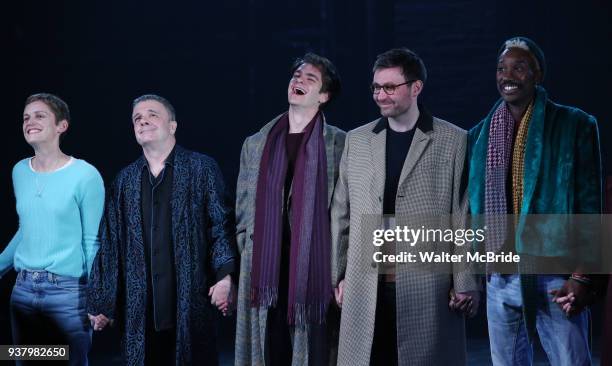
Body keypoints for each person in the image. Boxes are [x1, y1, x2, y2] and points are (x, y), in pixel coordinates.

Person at [331, 48, 479, 366]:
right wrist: (338, 275)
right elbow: (341, 214)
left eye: (389, 87)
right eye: (376, 87)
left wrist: (465, 281)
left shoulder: (453, 140)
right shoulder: (356, 140)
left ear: (416, 87)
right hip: (364, 284)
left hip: (427, 285)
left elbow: (463, 215)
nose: (380, 95)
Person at [467, 37, 602, 365]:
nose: (507, 75)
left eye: (519, 67)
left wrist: (583, 276)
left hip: (555, 276)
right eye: (501, 68)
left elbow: (590, 208)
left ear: (538, 75)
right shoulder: (479, 135)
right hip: (500, 273)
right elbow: (471, 210)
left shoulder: (574, 125)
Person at [87, 94, 237, 366]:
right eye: (137, 118)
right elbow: (110, 244)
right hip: (140, 314)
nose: (143, 120)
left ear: (172, 126)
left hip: (190, 308)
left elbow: (220, 225)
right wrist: (102, 302)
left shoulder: (201, 169)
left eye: (152, 114)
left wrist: (225, 278)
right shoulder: (124, 181)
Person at [234, 53, 345, 366]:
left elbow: (345, 210)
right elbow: (243, 206)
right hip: (266, 270)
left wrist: (341, 268)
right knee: (270, 351)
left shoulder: (340, 143)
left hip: (313, 269)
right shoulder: (256, 143)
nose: (299, 81)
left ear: (323, 96)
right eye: (296, 75)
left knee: (312, 353)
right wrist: (249, 248)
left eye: (310, 78)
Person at [0, 93, 105, 365]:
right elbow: (27, 230)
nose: (29, 121)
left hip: (68, 294)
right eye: (25, 117)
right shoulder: (19, 172)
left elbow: (92, 241)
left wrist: (97, 298)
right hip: (22, 292)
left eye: (39, 115)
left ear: (62, 126)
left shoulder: (86, 175)